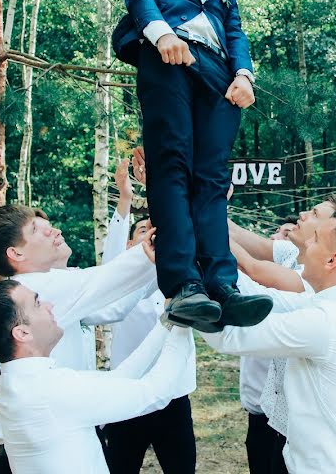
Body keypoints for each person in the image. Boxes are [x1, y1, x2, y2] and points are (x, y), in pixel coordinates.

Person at [114, 0, 270, 330]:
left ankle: (222, 285)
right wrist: (161, 33)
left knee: (214, 179)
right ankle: (183, 285)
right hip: (170, 59)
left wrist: (244, 75)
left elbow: (236, 33)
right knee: (172, 166)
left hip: (220, 78)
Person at [0, 202, 191, 473]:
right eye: (36, 228)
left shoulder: (34, 368)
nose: (50, 230)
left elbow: (114, 308)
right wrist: (165, 233)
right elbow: (104, 280)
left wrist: (169, 319)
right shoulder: (35, 289)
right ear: (15, 252)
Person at [203, 210, 336, 473]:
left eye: (314, 240)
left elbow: (230, 337)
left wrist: (183, 289)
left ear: (331, 260)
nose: (305, 244)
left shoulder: (327, 321)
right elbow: (264, 296)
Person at [96, 161, 197, 474]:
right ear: (130, 244)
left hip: (173, 395)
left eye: (158, 229)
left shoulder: (185, 276)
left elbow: (191, 229)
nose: (153, 233)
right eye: (143, 230)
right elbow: (112, 261)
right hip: (128, 396)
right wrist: (125, 198)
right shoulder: (121, 282)